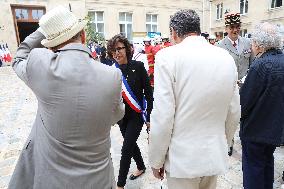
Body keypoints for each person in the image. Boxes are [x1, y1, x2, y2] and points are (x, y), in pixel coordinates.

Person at [8, 6, 125, 189]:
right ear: (84, 35)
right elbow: (117, 115)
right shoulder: (112, 75)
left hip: (53, 182)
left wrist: (43, 30)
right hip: (99, 180)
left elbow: (18, 58)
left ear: (50, 45)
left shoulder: (41, 66)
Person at [149, 9, 240, 189]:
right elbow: (234, 111)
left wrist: (156, 159)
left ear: (174, 32)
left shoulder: (166, 57)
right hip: (213, 155)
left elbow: (163, 115)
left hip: (182, 161)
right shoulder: (225, 58)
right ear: (197, 30)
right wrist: (223, 142)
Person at [240, 22, 284, 189]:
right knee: (267, 166)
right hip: (274, 129)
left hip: (255, 130)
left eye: (252, 42)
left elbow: (244, 102)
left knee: (253, 171)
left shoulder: (260, 65)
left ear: (258, 44)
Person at [107, 34, 153, 189]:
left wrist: (149, 116)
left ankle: (120, 185)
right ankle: (141, 166)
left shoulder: (138, 66)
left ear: (127, 49)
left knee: (126, 148)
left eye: (119, 49)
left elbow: (148, 92)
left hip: (136, 115)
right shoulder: (112, 71)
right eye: (113, 50)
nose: (116, 53)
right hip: (122, 117)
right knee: (131, 144)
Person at [216, 12, 253, 156]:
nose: (235, 30)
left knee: (245, 116)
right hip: (228, 88)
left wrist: (246, 78)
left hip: (246, 87)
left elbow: (252, 64)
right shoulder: (220, 46)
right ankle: (229, 143)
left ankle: (245, 140)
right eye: (232, 27)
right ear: (226, 28)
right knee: (229, 118)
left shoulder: (247, 43)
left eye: (237, 26)